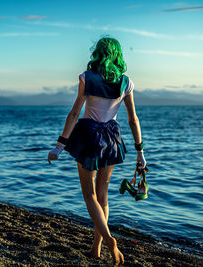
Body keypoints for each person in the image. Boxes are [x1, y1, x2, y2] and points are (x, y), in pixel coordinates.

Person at [47, 37, 146, 265]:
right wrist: (140, 152)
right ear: (118, 55)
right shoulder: (125, 82)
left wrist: (60, 146)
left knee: (90, 195)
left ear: (97, 53)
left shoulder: (87, 77)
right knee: (103, 196)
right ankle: (95, 249)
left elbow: (74, 114)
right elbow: (133, 119)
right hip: (111, 138)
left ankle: (110, 241)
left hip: (89, 137)